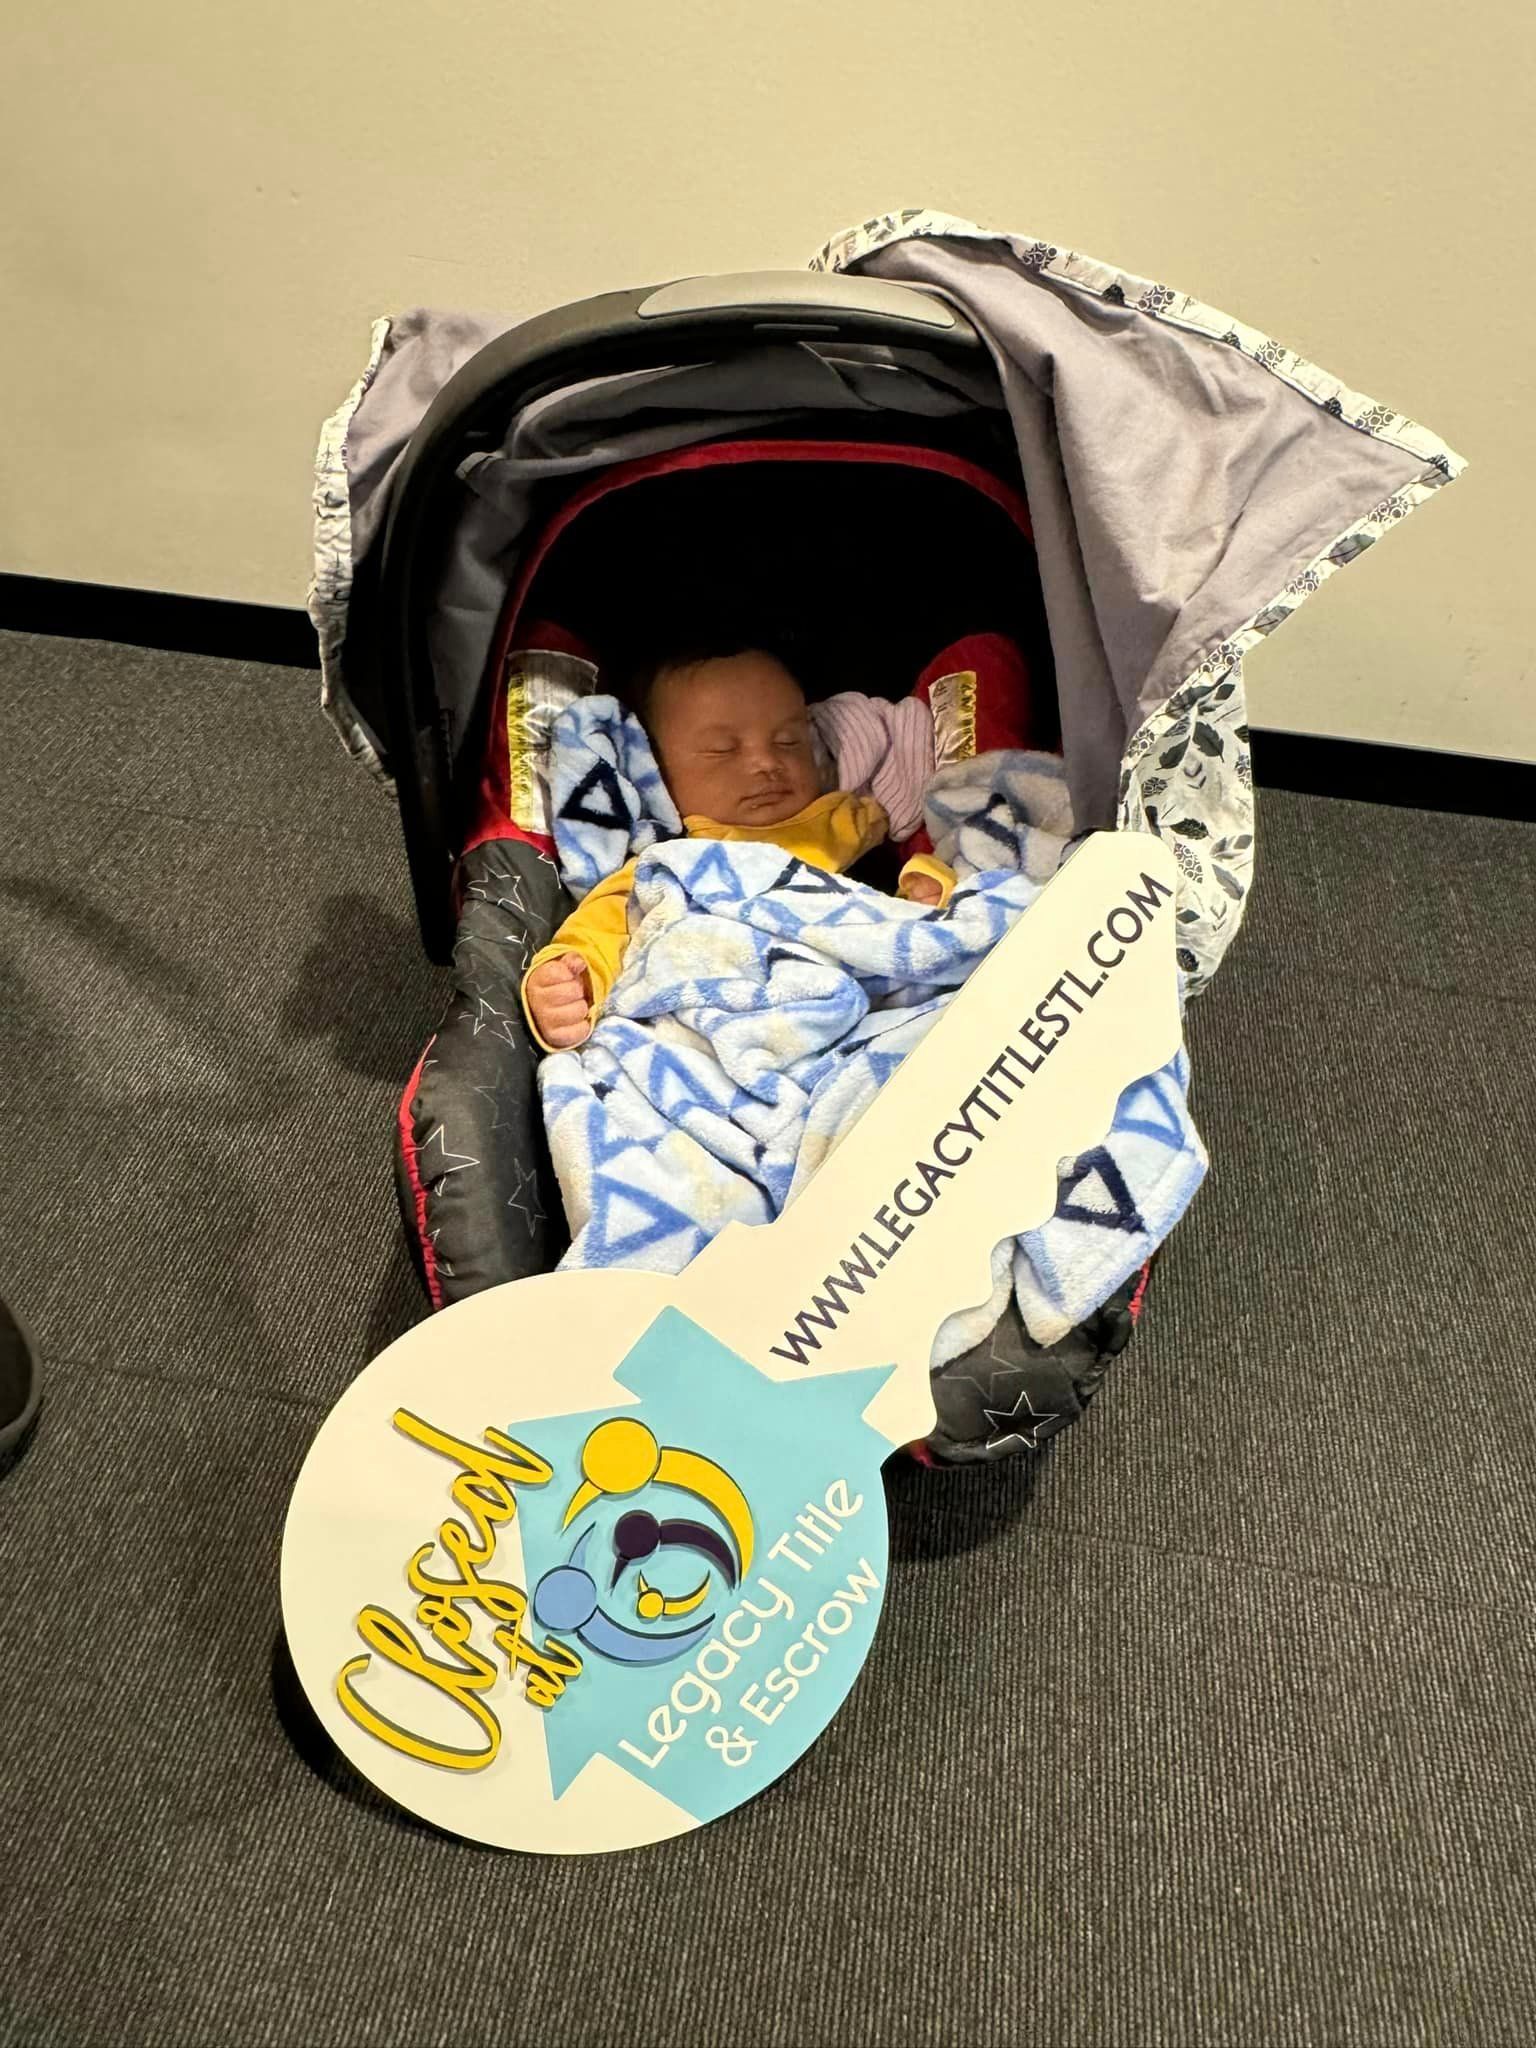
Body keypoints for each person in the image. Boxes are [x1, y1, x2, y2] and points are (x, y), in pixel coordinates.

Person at [522, 644, 957, 1051]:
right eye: (722, 750)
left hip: (849, 1017)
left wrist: (926, 889)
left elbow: (884, 918)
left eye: (789, 741)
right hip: (711, 1030)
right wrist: (567, 986)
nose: (766, 763)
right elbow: (597, 932)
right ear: (653, 770)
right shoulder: (664, 864)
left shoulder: (845, 826)